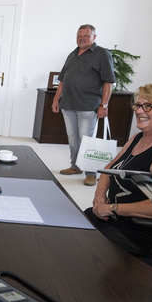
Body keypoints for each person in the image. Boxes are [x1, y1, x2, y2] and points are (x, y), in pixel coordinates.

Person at [84, 83, 152, 269]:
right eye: (137, 105)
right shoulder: (138, 138)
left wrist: (112, 207)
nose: (139, 110)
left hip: (149, 233)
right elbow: (109, 168)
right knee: (71, 226)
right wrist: (100, 195)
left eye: (148, 106)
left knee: (79, 244)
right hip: (120, 220)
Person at [51, 24, 115, 187]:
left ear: (94, 37)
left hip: (88, 105)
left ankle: (91, 173)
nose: (82, 38)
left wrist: (104, 105)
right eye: (79, 35)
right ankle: (76, 166)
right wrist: (56, 99)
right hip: (68, 104)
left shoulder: (102, 54)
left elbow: (108, 82)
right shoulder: (73, 54)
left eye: (86, 35)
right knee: (73, 139)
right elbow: (63, 80)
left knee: (87, 141)